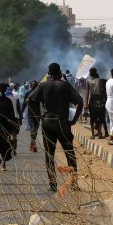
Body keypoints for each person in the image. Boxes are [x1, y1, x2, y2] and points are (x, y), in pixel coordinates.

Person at [27, 63, 83, 192]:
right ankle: (73, 183)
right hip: (62, 124)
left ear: (49, 73)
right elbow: (80, 102)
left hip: (47, 123)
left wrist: (38, 117)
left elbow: (29, 100)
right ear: (59, 72)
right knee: (70, 153)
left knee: (49, 155)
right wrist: (73, 120)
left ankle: (52, 184)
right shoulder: (65, 85)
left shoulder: (43, 85)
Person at [0, 83, 18, 171]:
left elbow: (12, 116)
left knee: (4, 146)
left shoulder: (7, 101)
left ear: (2, 91)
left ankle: (4, 164)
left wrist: (13, 129)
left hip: (4, 127)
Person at [86, 68, 106, 139]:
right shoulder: (100, 80)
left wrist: (86, 103)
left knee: (92, 117)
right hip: (100, 100)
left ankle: (93, 135)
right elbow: (102, 90)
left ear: (90, 73)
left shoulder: (88, 81)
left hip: (92, 101)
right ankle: (100, 134)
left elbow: (87, 93)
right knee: (100, 117)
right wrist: (104, 100)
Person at [23, 81, 41, 152]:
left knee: (35, 130)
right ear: (31, 86)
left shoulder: (40, 94)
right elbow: (24, 104)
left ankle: (32, 142)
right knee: (33, 129)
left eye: (35, 85)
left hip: (38, 114)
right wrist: (21, 113)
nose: (33, 86)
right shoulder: (28, 93)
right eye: (32, 85)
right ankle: (33, 144)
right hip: (30, 114)